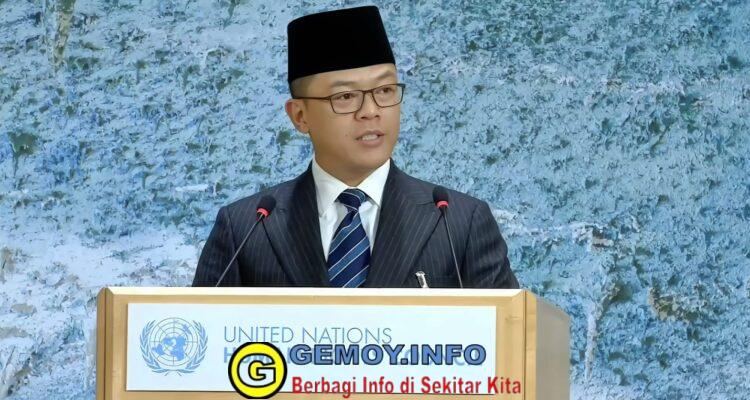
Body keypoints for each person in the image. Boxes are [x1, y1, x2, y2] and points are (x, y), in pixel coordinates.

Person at [192, 5, 519, 289]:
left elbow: (510, 335)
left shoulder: (458, 222)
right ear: (300, 116)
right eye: (345, 96)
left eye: (385, 90)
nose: (371, 111)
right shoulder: (246, 227)